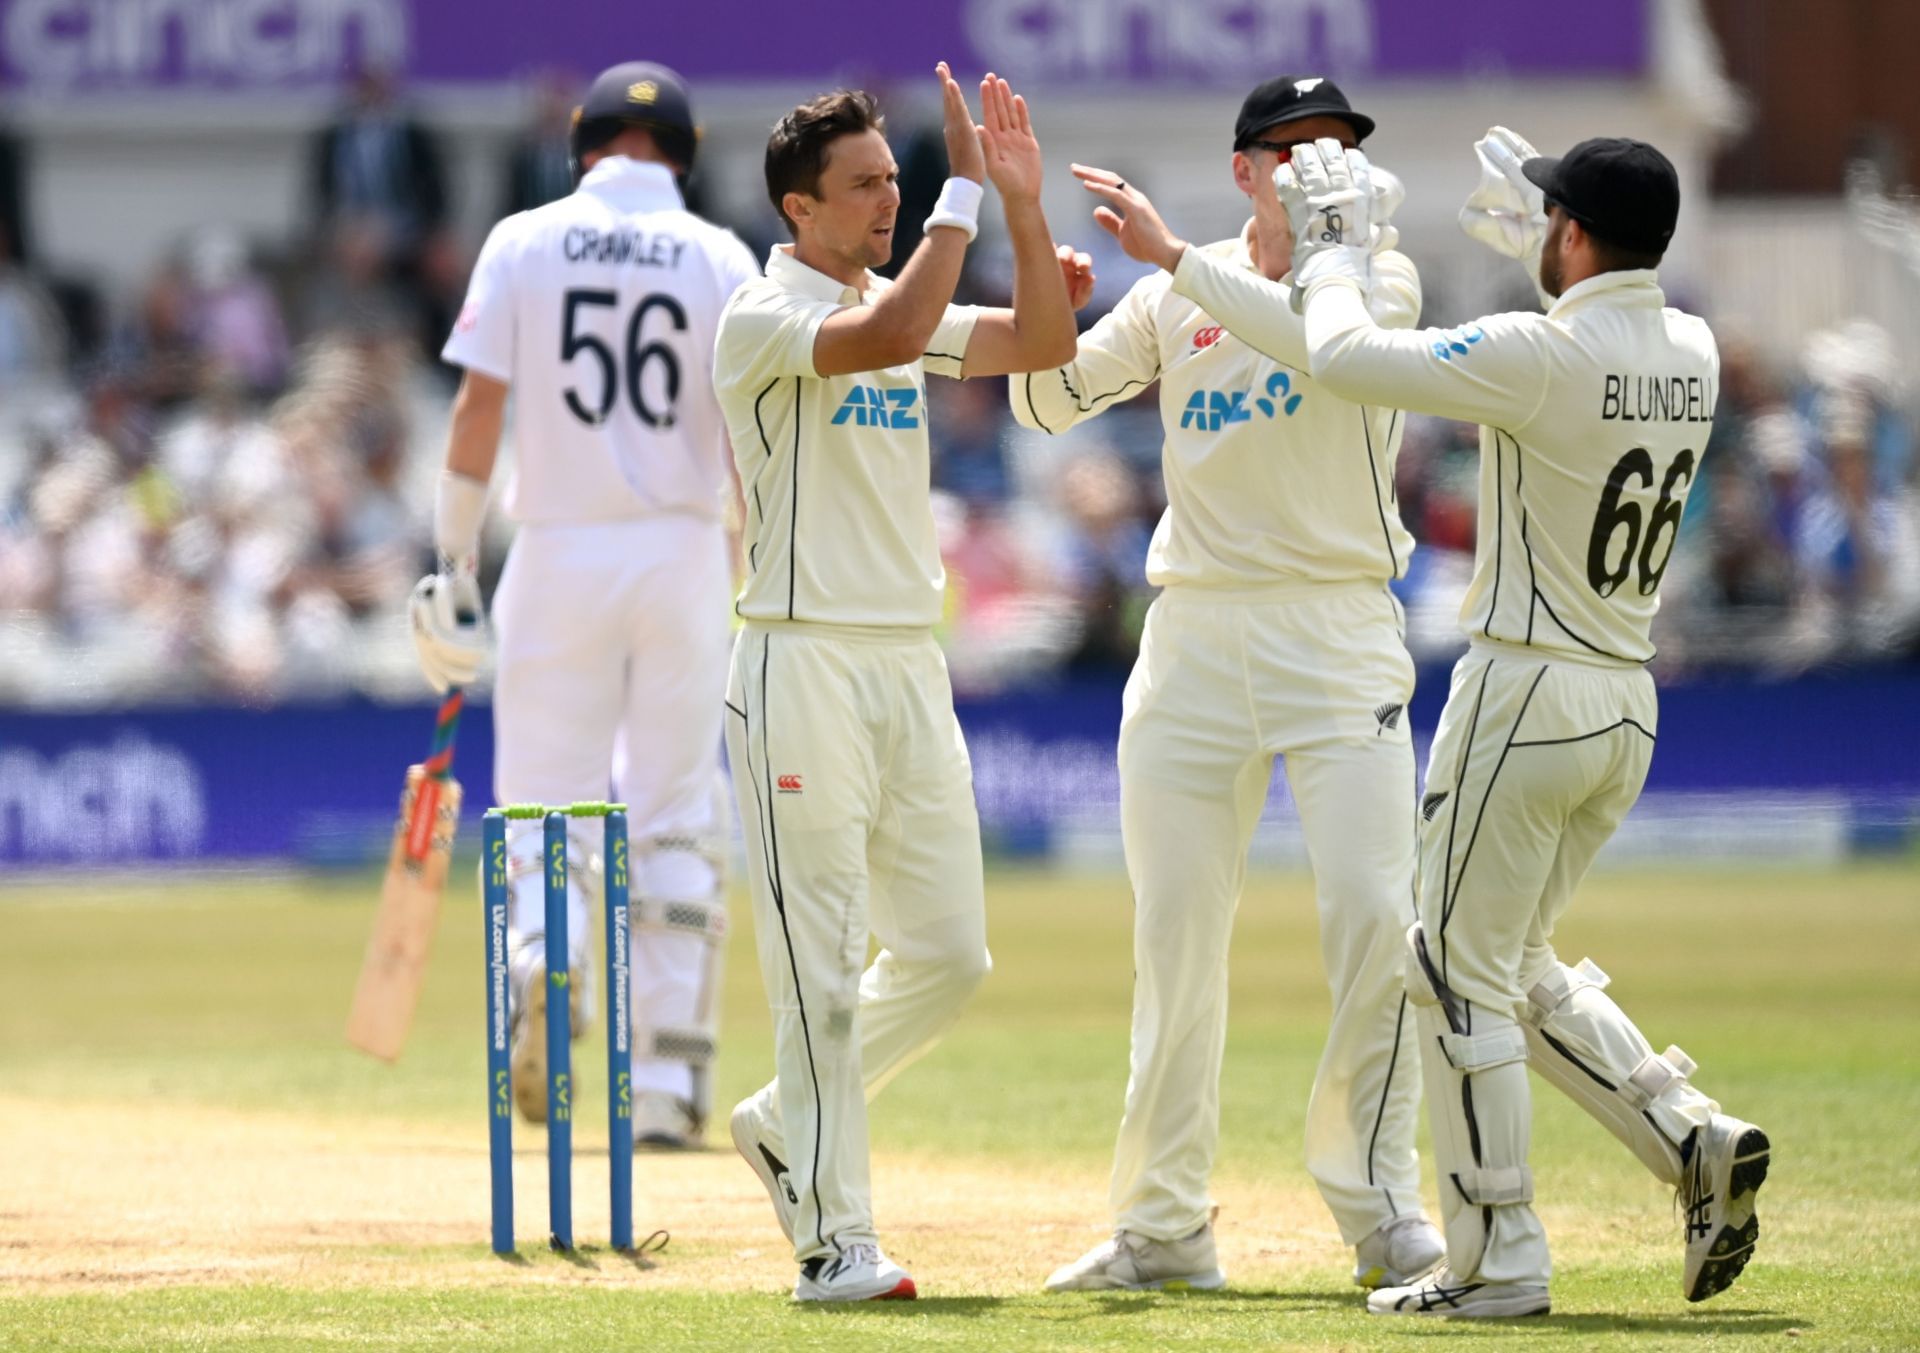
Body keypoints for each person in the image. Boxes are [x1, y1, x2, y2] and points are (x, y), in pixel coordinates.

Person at [1076, 124, 1772, 1317]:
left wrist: (1336, 253)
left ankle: (1497, 1257)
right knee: (1508, 962)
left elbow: (1344, 356)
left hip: (1526, 691)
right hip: (1627, 701)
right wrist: (1544, 262)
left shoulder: (1530, 352)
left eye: (1551, 216)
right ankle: (1688, 1133)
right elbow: (1594, 331)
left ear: (1570, 234)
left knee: (1448, 970)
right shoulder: (1695, 348)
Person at [1022, 75, 1444, 1296]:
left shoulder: (1383, 276)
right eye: (1301, 150)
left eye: (1344, 148)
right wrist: (1058, 290)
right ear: (1249, 168)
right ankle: (1160, 1228)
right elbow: (1048, 400)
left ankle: (1382, 1213)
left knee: (1373, 919)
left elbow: (1322, 343)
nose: (1329, 170)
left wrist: (1173, 261)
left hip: (1337, 629)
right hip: (1196, 633)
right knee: (1175, 943)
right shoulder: (1173, 288)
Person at [714, 64, 1079, 1302]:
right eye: (863, 184)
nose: (889, 197)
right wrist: (961, 199)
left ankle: (785, 1118)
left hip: (906, 666)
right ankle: (834, 1242)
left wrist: (1019, 205)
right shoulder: (762, 316)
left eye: (894, 179)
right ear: (795, 209)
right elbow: (876, 337)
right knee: (816, 960)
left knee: (949, 954)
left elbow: (1043, 344)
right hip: (799, 657)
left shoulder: (896, 291)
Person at [410, 61, 756, 1151]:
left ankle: (542, 960)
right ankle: (664, 1090)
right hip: (683, 553)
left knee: (545, 810)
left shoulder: (523, 238)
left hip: (557, 553)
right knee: (672, 815)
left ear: (582, 146)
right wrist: (746, 564)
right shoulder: (718, 254)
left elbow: (476, 407)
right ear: (686, 155)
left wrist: (456, 564)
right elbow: (750, 431)